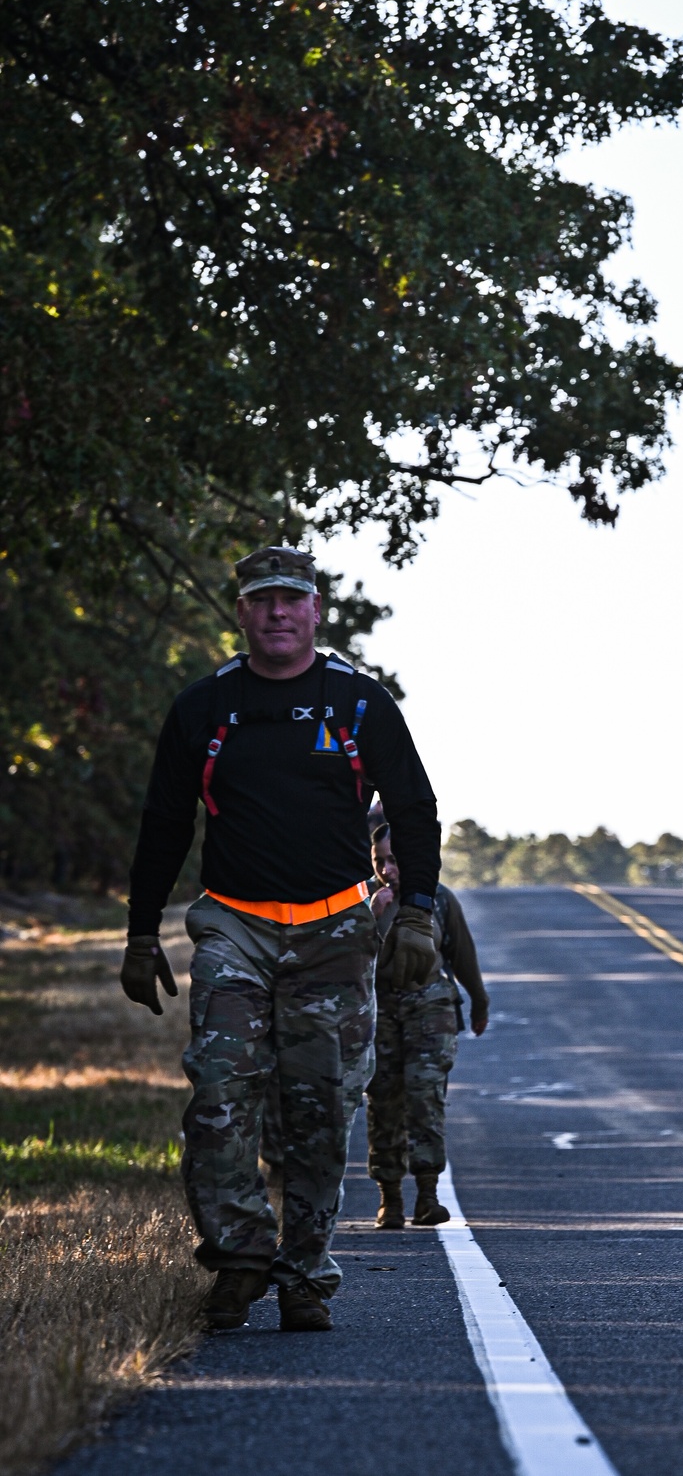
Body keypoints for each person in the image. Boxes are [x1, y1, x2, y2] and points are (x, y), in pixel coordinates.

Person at [118, 547, 441, 1332]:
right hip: (235, 926)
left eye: (291, 599)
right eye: (261, 599)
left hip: (334, 930)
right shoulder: (204, 708)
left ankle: (304, 1272)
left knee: (321, 1107)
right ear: (241, 611)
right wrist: (139, 932)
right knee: (222, 1098)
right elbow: (165, 822)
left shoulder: (361, 704)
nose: (277, 613)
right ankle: (238, 1258)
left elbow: (414, 808)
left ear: (316, 608)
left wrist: (421, 915)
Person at [366, 822, 488, 1229]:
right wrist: (373, 914)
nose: (388, 869)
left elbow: (462, 953)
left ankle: (427, 1196)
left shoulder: (435, 898)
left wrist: (479, 1001)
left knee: (424, 1095)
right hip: (379, 1013)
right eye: (380, 860)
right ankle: (390, 1199)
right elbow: (343, 959)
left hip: (429, 1011)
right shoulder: (362, 900)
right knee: (383, 1101)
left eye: (395, 860)